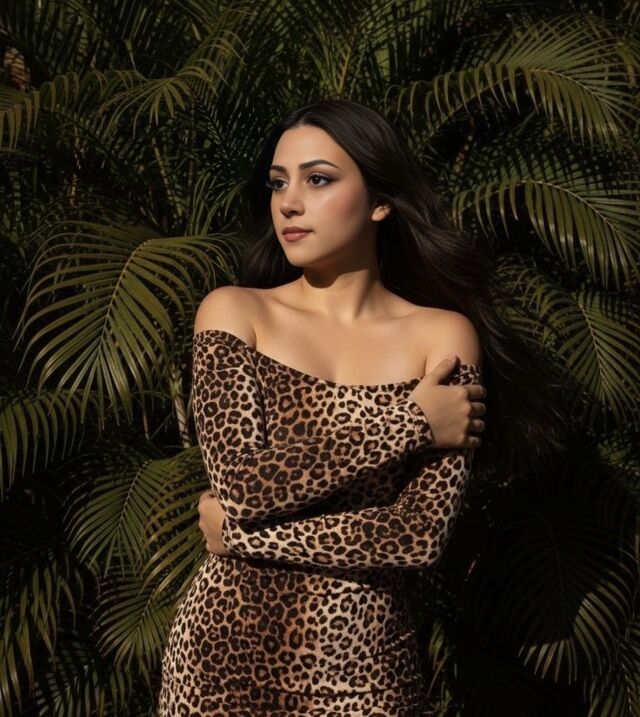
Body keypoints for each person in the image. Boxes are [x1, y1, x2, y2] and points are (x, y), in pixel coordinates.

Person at [158, 98, 567, 715]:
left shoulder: (442, 336)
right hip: (220, 655)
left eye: (318, 179)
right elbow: (244, 485)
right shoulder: (234, 312)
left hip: (364, 663)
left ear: (380, 200)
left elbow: (417, 537)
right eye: (278, 183)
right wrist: (411, 422)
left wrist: (237, 535)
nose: (288, 203)